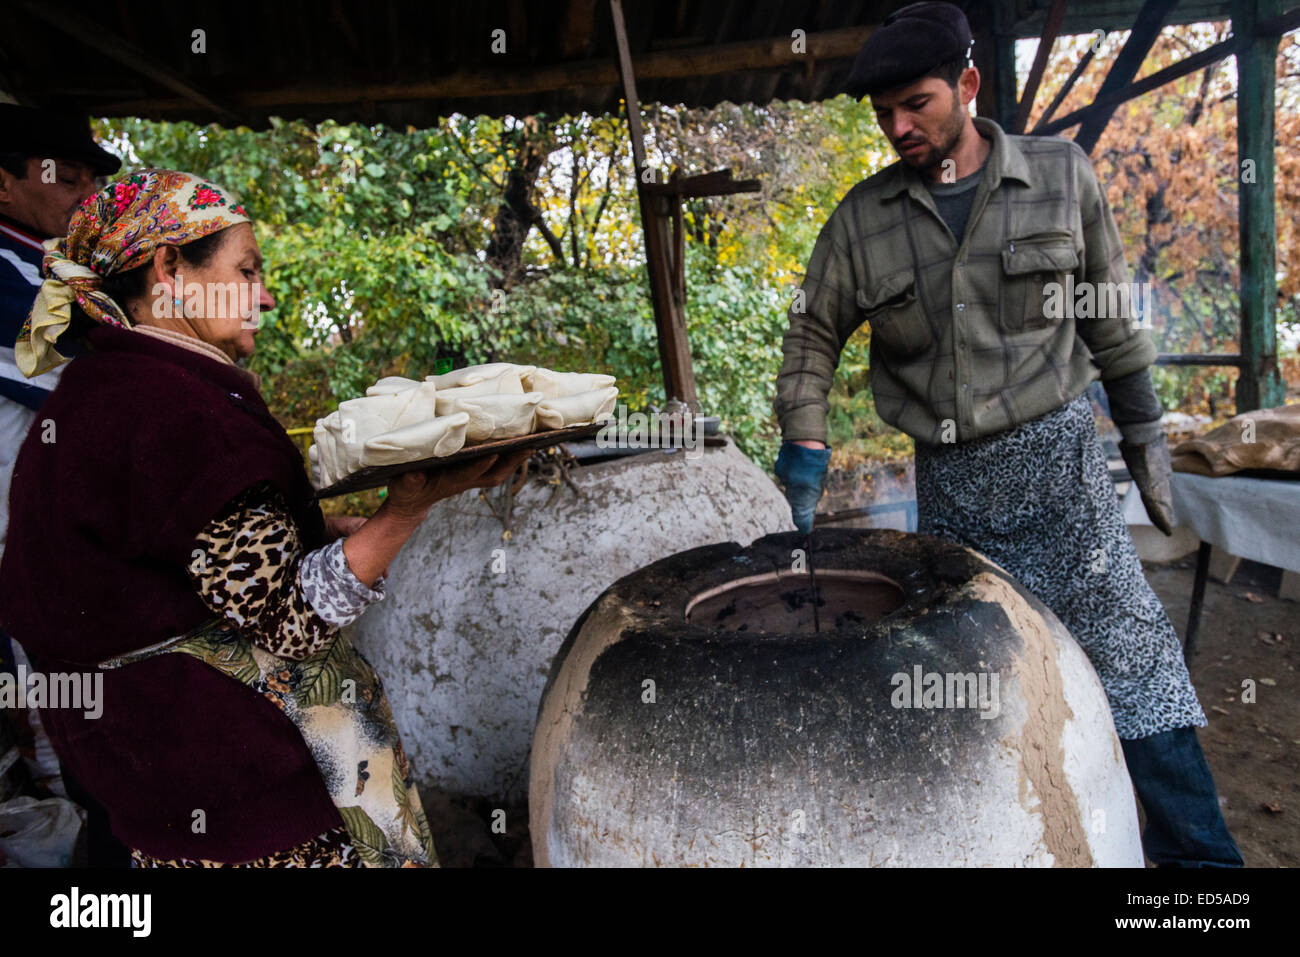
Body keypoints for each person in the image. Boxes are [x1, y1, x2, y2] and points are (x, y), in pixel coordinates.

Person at [773, 2, 1241, 867]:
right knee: (980, 688)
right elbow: (810, 337)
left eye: (916, 104)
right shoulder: (862, 221)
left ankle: (1203, 881)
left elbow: (1108, 313)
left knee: (1135, 671)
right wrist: (803, 453)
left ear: (969, 84)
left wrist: (1143, 431)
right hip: (954, 497)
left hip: (1063, 476)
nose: (900, 128)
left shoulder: (1063, 177)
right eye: (884, 117)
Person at [0, 168, 530, 866]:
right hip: (246, 806)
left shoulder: (95, 393)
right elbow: (289, 617)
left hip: (157, 786)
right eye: (246, 269)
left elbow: (197, 570)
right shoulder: (175, 414)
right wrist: (406, 512)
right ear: (170, 268)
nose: (266, 294)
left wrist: (316, 534)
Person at [0, 105, 121, 864]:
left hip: (57, 562)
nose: (82, 193)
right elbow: (107, 381)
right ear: (3, 186)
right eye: (62, 176)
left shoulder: (54, 272)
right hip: (23, 570)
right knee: (64, 757)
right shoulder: (12, 278)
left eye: (88, 179)